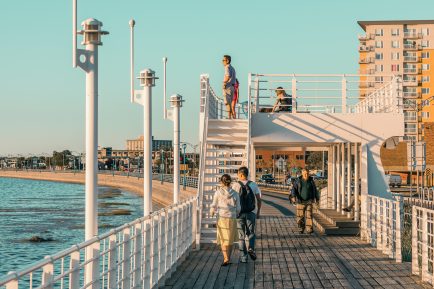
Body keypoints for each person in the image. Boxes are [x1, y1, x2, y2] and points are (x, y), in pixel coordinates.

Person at [232, 166, 262, 263]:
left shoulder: (235, 185)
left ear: (241, 174)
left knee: (241, 236)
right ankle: (251, 248)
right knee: (251, 233)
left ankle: (243, 257)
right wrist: (258, 212)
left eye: (238, 174)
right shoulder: (253, 184)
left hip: (239, 214)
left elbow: (233, 201)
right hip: (251, 212)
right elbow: (259, 199)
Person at [210, 174, 241, 266]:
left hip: (222, 218)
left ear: (221, 182)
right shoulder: (235, 193)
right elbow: (238, 207)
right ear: (230, 182)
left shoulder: (218, 193)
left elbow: (214, 205)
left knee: (223, 238)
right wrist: (237, 214)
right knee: (230, 239)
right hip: (232, 217)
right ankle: (229, 258)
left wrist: (212, 211)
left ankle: (225, 258)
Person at [290, 168, 319, 234]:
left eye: (307, 173)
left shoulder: (311, 181)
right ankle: (301, 228)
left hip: (309, 201)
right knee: (300, 216)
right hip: (300, 201)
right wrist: (293, 197)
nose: (306, 175)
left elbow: (315, 190)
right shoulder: (298, 180)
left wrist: (317, 198)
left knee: (309, 215)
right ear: (302, 173)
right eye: (305, 173)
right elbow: (293, 189)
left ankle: (309, 229)